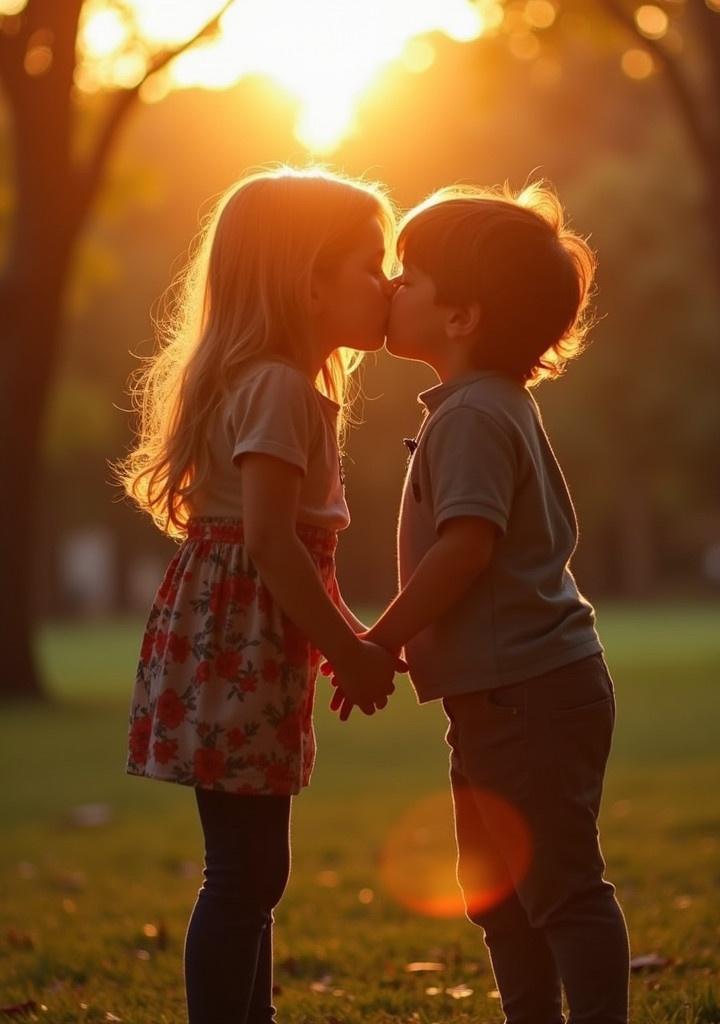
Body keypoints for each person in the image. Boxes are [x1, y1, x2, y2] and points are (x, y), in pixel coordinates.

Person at [332, 182, 630, 1024]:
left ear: (461, 318)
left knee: (561, 884)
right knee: (495, 889)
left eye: (411, 277)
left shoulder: (470, 416)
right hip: (507, 694)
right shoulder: (481, 407)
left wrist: (378, 641)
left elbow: (467, 546)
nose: (392, 287)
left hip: (527, 693)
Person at [113, 166, 400, 1024]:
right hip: (239, 643)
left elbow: (284, 554)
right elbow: (272, 546)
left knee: (248, 867)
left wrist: (346, 636)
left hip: (242, 640)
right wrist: (350, 647)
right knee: (246, 871)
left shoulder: (280, 384)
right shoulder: (277, 386)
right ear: (307, 280)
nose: (387, 284)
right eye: (369, 263)